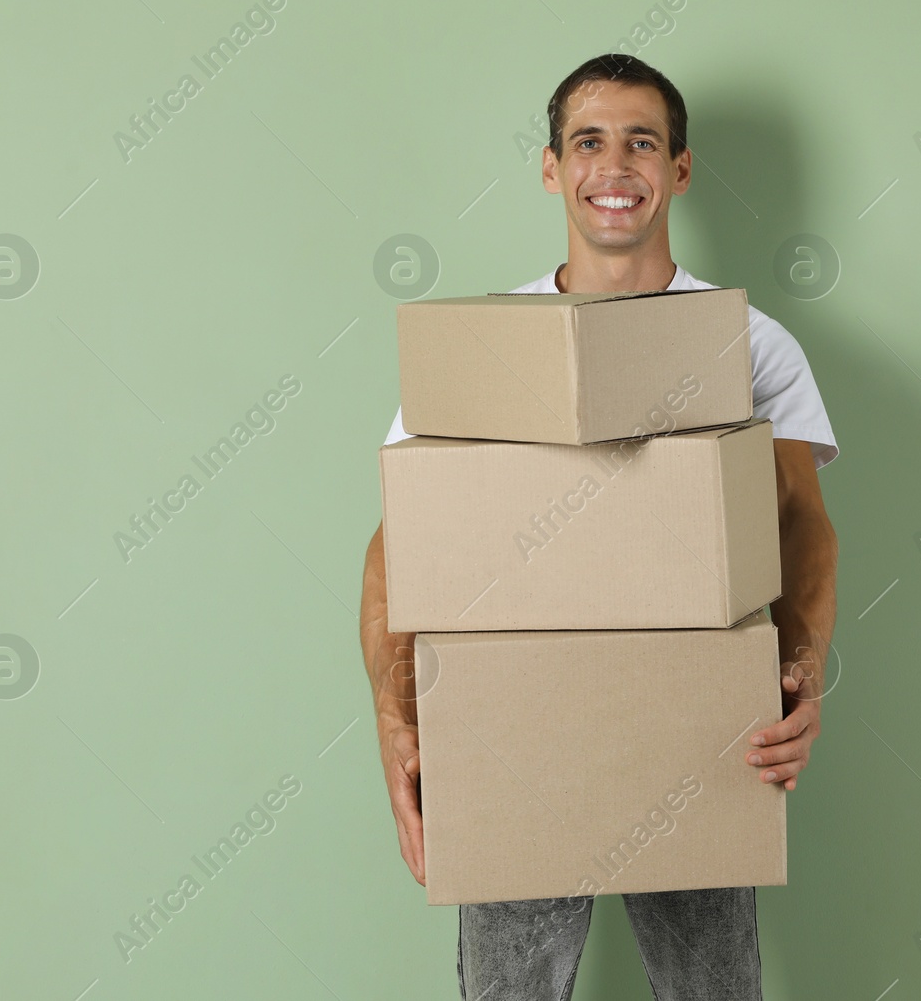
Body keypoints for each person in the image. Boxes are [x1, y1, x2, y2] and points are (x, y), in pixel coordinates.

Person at [359, 53, 840, 1000]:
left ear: (680, 168)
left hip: (700, 718)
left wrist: (800, 673)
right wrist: (395, 708)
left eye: (641, 142)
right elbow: (401, 545)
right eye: (589, 141)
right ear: (551, 168)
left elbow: (800, 524)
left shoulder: (747, 342)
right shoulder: (485, 347)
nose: (614, 166)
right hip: (510, 722)